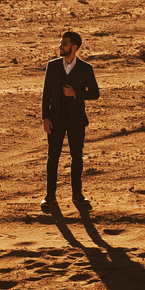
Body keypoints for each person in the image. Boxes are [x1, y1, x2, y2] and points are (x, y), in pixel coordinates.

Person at [40, 30, 100, 211]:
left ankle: (77, 195)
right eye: (61, 43)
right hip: (55, 120)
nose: (60, 46)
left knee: (77, 159)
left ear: (74, 48)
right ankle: (50, 196)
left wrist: (76, 94)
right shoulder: (52, 66)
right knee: (53, 159)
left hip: (76, 121)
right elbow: (46, 94)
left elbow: (95, 93)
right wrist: (45, 117)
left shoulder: (86, 69)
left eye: (64, 44)